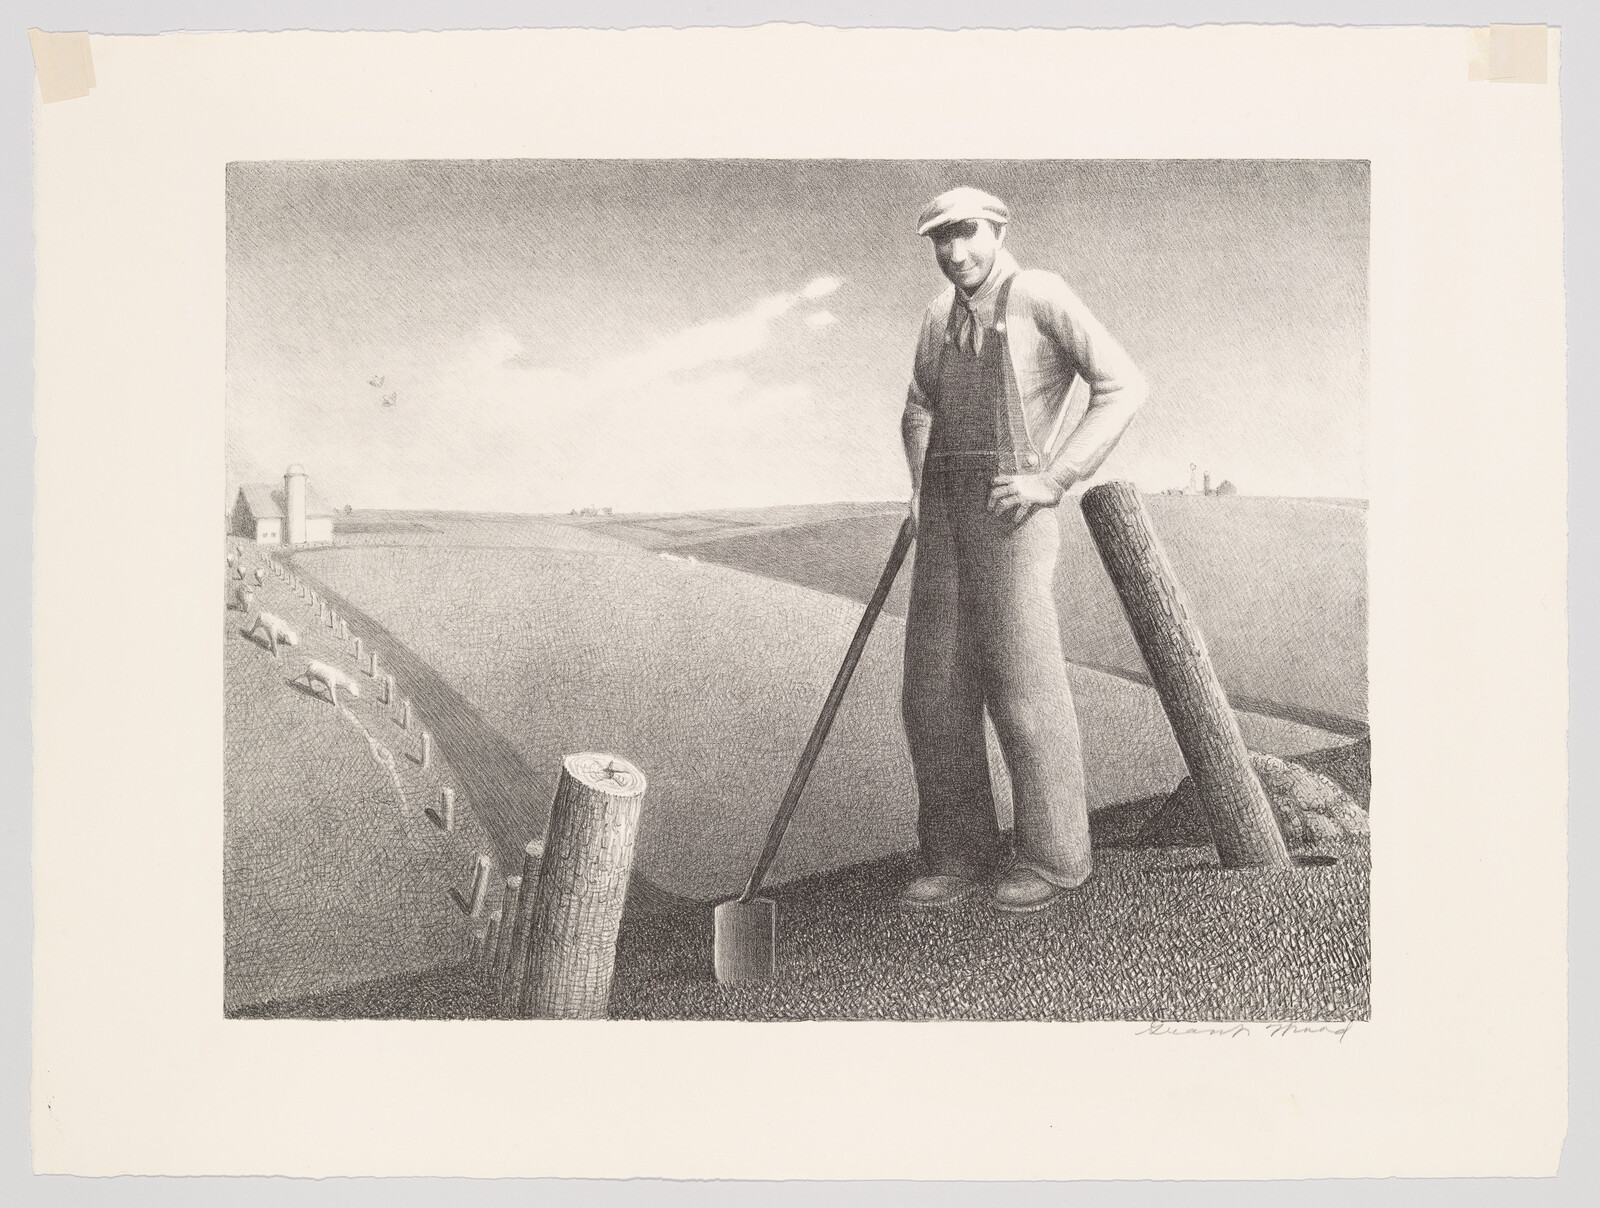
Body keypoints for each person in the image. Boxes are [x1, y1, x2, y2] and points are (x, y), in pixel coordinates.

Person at [898, 186, 1148, 913]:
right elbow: (919, 405)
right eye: (940, 239)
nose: (953, 253)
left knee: (1022, 689)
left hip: (1012, 517)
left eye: (966, 233)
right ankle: (956, 854)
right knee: (933, 695)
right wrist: (919, 488)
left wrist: (1054, 479)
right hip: (943, 521)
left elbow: (1124, 384)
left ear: (997, 229)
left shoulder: (1038, 294)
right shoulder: (939, 315)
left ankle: (1053, 855)